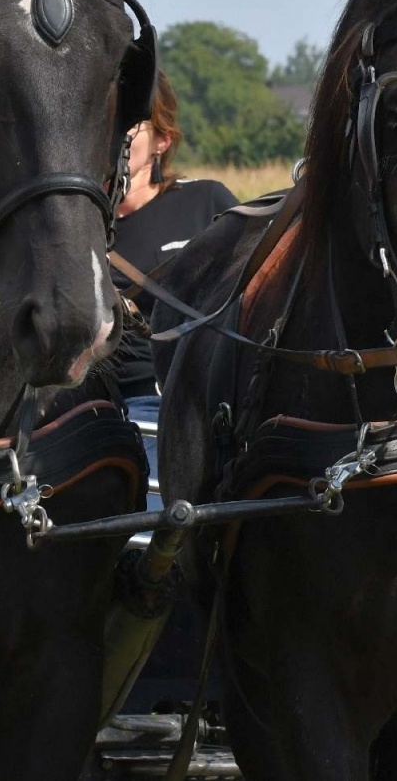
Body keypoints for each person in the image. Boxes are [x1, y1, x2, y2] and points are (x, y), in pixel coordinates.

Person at [109, 72, 238, 487]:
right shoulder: (70, 219)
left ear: (162, 141)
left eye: (130, 122)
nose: (116, 133)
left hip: (184, 403)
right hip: (87, 410)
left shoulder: (206, 202)